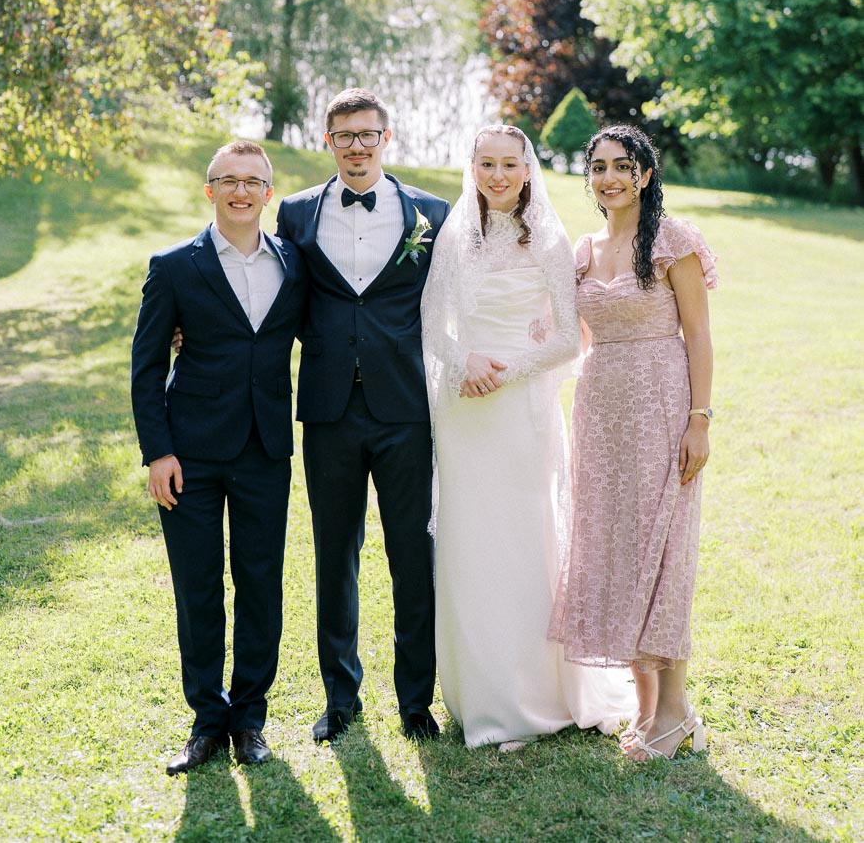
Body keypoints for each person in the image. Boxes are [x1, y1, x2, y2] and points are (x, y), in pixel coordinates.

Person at [421, 125, 637, 750]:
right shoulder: (455, 235)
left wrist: (504, 372)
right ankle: (480, 694)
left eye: (507, 164)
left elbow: (570, 339)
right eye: (486, 163)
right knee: (469, 540)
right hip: (464, 410)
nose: (496, 175)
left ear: (525, 169)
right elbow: (434, 321)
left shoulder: (548, 236)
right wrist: (466, 365)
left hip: (521, 410)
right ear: (472, 166)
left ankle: (538, 691)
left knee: (523, 540)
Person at [276, 88, 450, 744]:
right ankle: (340, 698)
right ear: (328, 141)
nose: (356, 145)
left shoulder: (430, 214)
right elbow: (275, 294)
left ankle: (415, 702)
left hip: (406, 408)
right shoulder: (294, 214)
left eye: (367, 134)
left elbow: (456, 302)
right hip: (327, 410)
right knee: (334, 556)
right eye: (343, 135)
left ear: (387, 138)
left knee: (415, 556)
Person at [131, 140, 307, 774]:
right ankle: (207, 721)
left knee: (261, 585)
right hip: (191, 456)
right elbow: (147, 367)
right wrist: (159, 453)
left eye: (253, 182)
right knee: (198, 589)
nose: (241, 191)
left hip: (265, 450)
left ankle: (250, 720)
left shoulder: (295, 262)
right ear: (210, 191)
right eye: (228, 181)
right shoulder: (175, 266)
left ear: (268, 192)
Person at [547, 125, 716, 762]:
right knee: (617, 550)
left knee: (662, 547)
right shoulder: (584, 250)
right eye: (598, 168)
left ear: (645, 174)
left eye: (623, 166)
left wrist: (699, 418)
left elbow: (698, 336)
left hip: (662, 406)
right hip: (599, 411)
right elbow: (568, 336)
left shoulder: (674, 241)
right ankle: (647, 711)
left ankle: (673, 712)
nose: (610, 178)